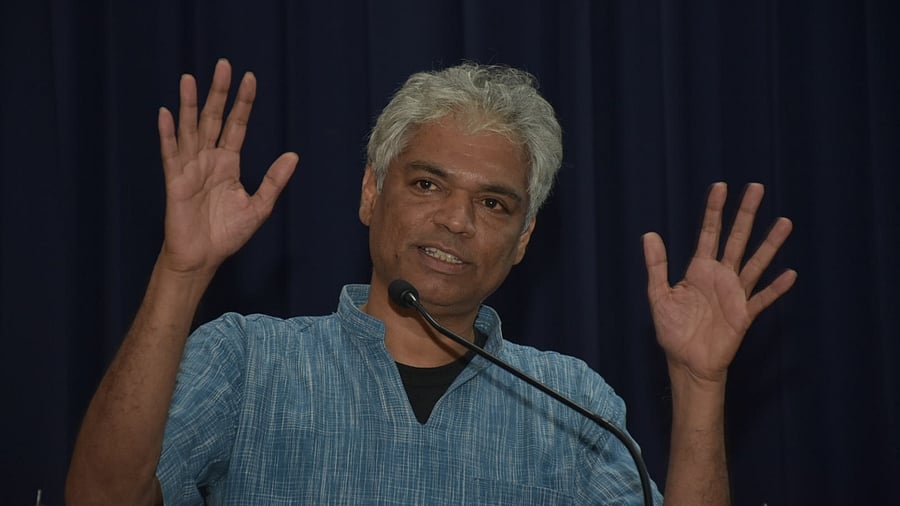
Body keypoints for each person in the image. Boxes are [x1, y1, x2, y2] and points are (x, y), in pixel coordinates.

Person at [65, 59, 796, 505]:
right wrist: (181, 272)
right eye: (426, 183)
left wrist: (699, 386)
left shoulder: (576, 406)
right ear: (369, 195)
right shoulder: (246, 362)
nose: (455, 221)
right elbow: (98, 498)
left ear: (522, 243)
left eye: (494, 203)